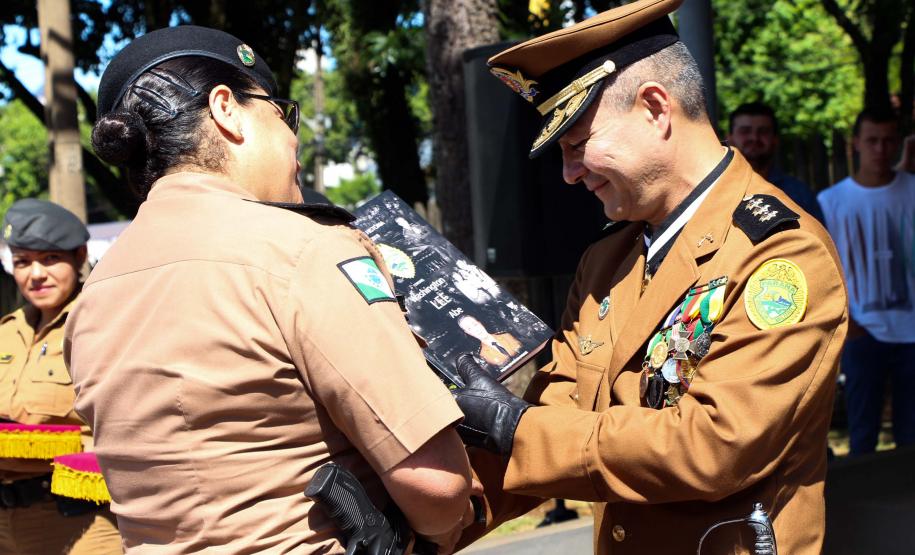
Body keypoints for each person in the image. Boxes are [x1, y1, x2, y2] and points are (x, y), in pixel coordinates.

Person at [449, 0, 848, 553]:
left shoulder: (780, 254)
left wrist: (516, 429)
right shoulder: (607, 262)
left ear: (655, 108)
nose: (568, 174)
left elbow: (711, 448)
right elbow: (559, 419)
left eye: (577, 144)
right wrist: (429, 518)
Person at [64, 26, 474, 553]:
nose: (293, 143)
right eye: (283, 113)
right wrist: (444, 529)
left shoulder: (96, 291)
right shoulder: (301, 248)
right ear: (226, 110)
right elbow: (435, 484)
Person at [0, 199, 122, 554]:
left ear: (80, 255)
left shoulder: (101, 324)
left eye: (50, 259)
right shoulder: (6, 331)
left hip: (80, 522)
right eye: (22, 262)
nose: (35, 274)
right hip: (6, 524)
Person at [817, 106, 915, 455]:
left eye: (889, 140)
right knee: (863, 435)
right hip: (863, 331)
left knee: (911, 435)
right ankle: (863, 507)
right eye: (872, 140)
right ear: (856, 143)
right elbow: (826, 268)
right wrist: (850, 324)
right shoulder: (830, 201)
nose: (880, 148)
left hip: (912, 334)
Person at [727, 101, 825, 222]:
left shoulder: (799, 194)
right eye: (745, 131)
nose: (754, 137)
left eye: (763, 131)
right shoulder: (717, 190)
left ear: (775, 139)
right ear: (730, 138)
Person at [456, 315, 521, 367]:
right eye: (469, 328)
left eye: (475, 324)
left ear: (480, 323)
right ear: (468, 333)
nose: (476, 330)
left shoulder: (506, 334)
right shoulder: (482, 355)